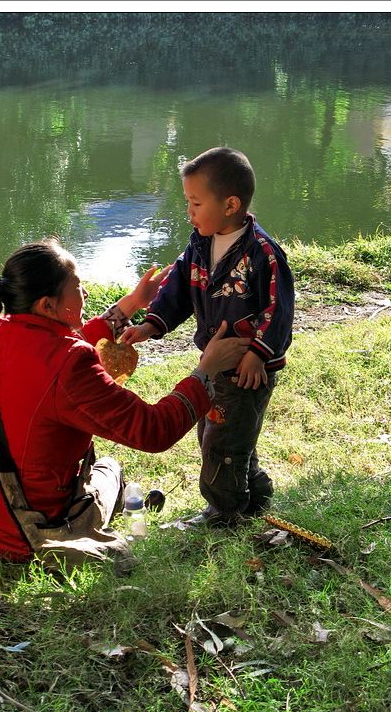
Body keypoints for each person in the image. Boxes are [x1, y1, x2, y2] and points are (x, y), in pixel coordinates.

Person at [0, 238, 251, 562]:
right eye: (78, 286)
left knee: (103, 472)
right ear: (47, 305)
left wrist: (131, 304)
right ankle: (115, 525)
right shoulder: (71, 363)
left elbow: (58, 347)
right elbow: (153, 430)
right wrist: (206, 370)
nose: (85, 293)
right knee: (109, 470)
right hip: (21, 532)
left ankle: (115, 514)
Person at [122, 147, 294, 527]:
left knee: (222, 442)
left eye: (196, 203)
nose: (189, 211)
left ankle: (224, 512)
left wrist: (258, 355)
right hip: (215, 362)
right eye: (188, 202)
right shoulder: (199, 243)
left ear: (231, 204)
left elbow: (277, 310)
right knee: (221, 432)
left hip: (247, 369)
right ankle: (255, 492)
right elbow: (178, 289)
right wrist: (152, 323)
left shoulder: (262, 253)